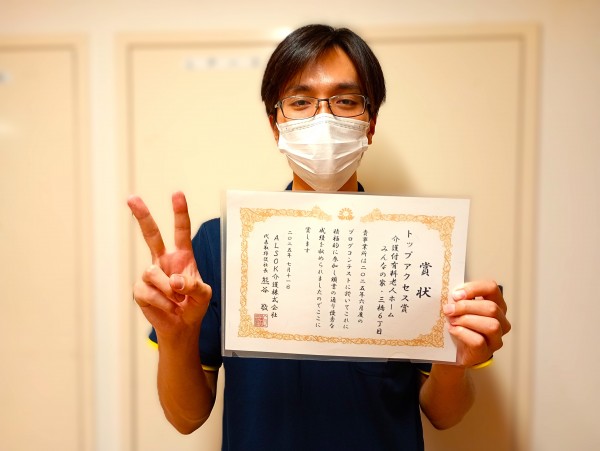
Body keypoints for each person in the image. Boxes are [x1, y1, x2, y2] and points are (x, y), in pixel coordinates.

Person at [127, 24, 511, 451]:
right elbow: (186, 418)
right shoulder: (220, 244)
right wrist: (177, 338)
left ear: (370, 124)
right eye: (300, 102)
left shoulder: (423, 243)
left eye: (345, 101)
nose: (323, 119)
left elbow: (444, 414)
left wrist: (455, 363)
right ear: (276, 126)